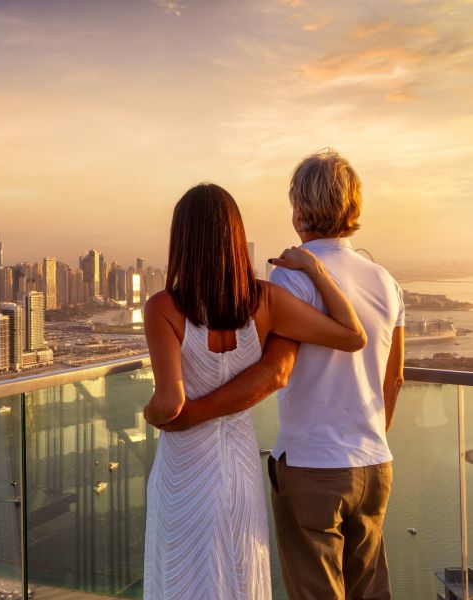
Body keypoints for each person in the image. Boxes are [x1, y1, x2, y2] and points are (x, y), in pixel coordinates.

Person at [160, 150, 405, 599]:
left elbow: (276, 371)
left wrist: (188, 413)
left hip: (312, 464)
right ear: (354, 208)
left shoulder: (290, 279)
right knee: (370, 591)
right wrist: (368, 437)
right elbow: (395, 379)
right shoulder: (387, 281)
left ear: (298, 209)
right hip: (374, 460)